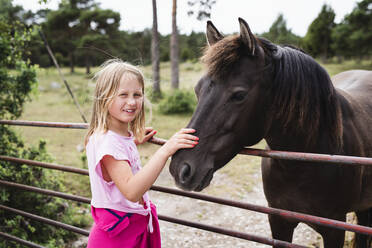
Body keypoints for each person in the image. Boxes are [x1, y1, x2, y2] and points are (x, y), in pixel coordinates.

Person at [84, 59, 199, 247]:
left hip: (124, 230)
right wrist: (166, 150)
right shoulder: (110, 143)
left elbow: (114, 156)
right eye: (123, 95)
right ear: (104, 98)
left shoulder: (104, 135)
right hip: (119, 238)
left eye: (137, 94)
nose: (131, 102)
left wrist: (132, 141)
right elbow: (131, 191)